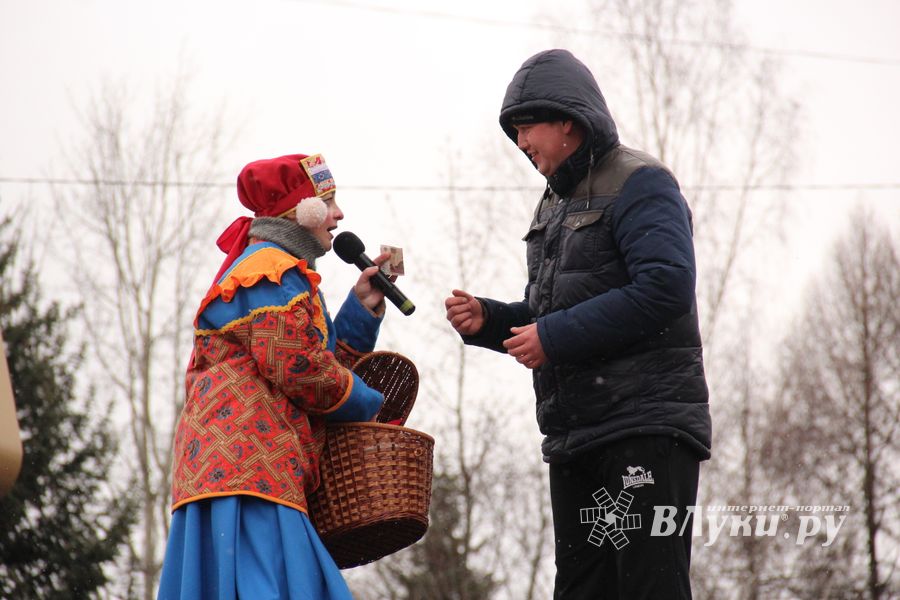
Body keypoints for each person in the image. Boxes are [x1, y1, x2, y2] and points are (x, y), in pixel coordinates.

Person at [445, 49, 712, 599]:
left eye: (527, 127)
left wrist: (552, 336)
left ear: (567, 120)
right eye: (514, 132)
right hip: (575, 440)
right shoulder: (553, 205)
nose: (521, 143)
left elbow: (665, 287)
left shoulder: (641, 182)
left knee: (650, 590)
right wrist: (490, 320)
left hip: (644, 429)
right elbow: (552, 315)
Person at [159, 153, 391, 599]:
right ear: (300, 211)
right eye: (328, 202)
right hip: (247, 476)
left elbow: (313, 361)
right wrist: (370, 403)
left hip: (246, 474)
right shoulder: (267, 270)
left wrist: (362, 307)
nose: (339, 215)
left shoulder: (281, 273)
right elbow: (301, 369)